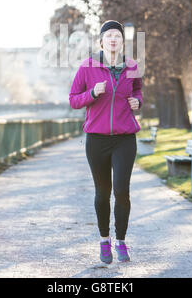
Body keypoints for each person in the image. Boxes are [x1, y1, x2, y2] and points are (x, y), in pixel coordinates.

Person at [69, 20, 143, 264]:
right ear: (101, 41)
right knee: (103, 193)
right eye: (109, 35)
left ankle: (121, 242)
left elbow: (138, 90)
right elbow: (73, 99)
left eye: (117, 36)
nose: (113, 39)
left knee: (122, 191)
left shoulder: (131, 66)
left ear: (122, 41)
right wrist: (92, 93)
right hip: (97, 140)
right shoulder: (88, 67)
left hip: (124, 140)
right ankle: (104, 241)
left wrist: (138, 102)